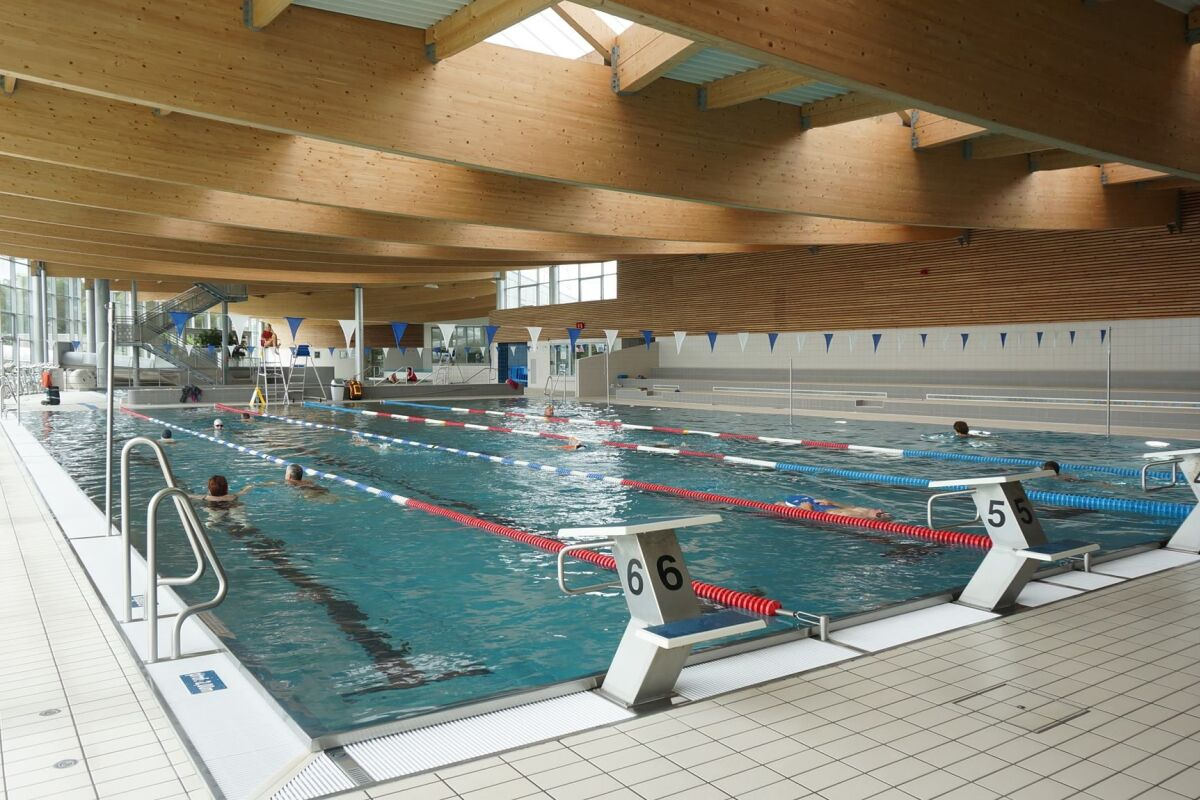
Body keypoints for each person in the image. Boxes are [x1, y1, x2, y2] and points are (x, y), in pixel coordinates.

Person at [778, 494, 892, 520]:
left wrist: (809, 511)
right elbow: (851, 506)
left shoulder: (858, 516)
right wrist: (833, 503)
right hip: (830, 508)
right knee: (779, 504)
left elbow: (822, 519)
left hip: (820, 511)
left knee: (779, 505)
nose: (881, 510)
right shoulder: (864, 511)